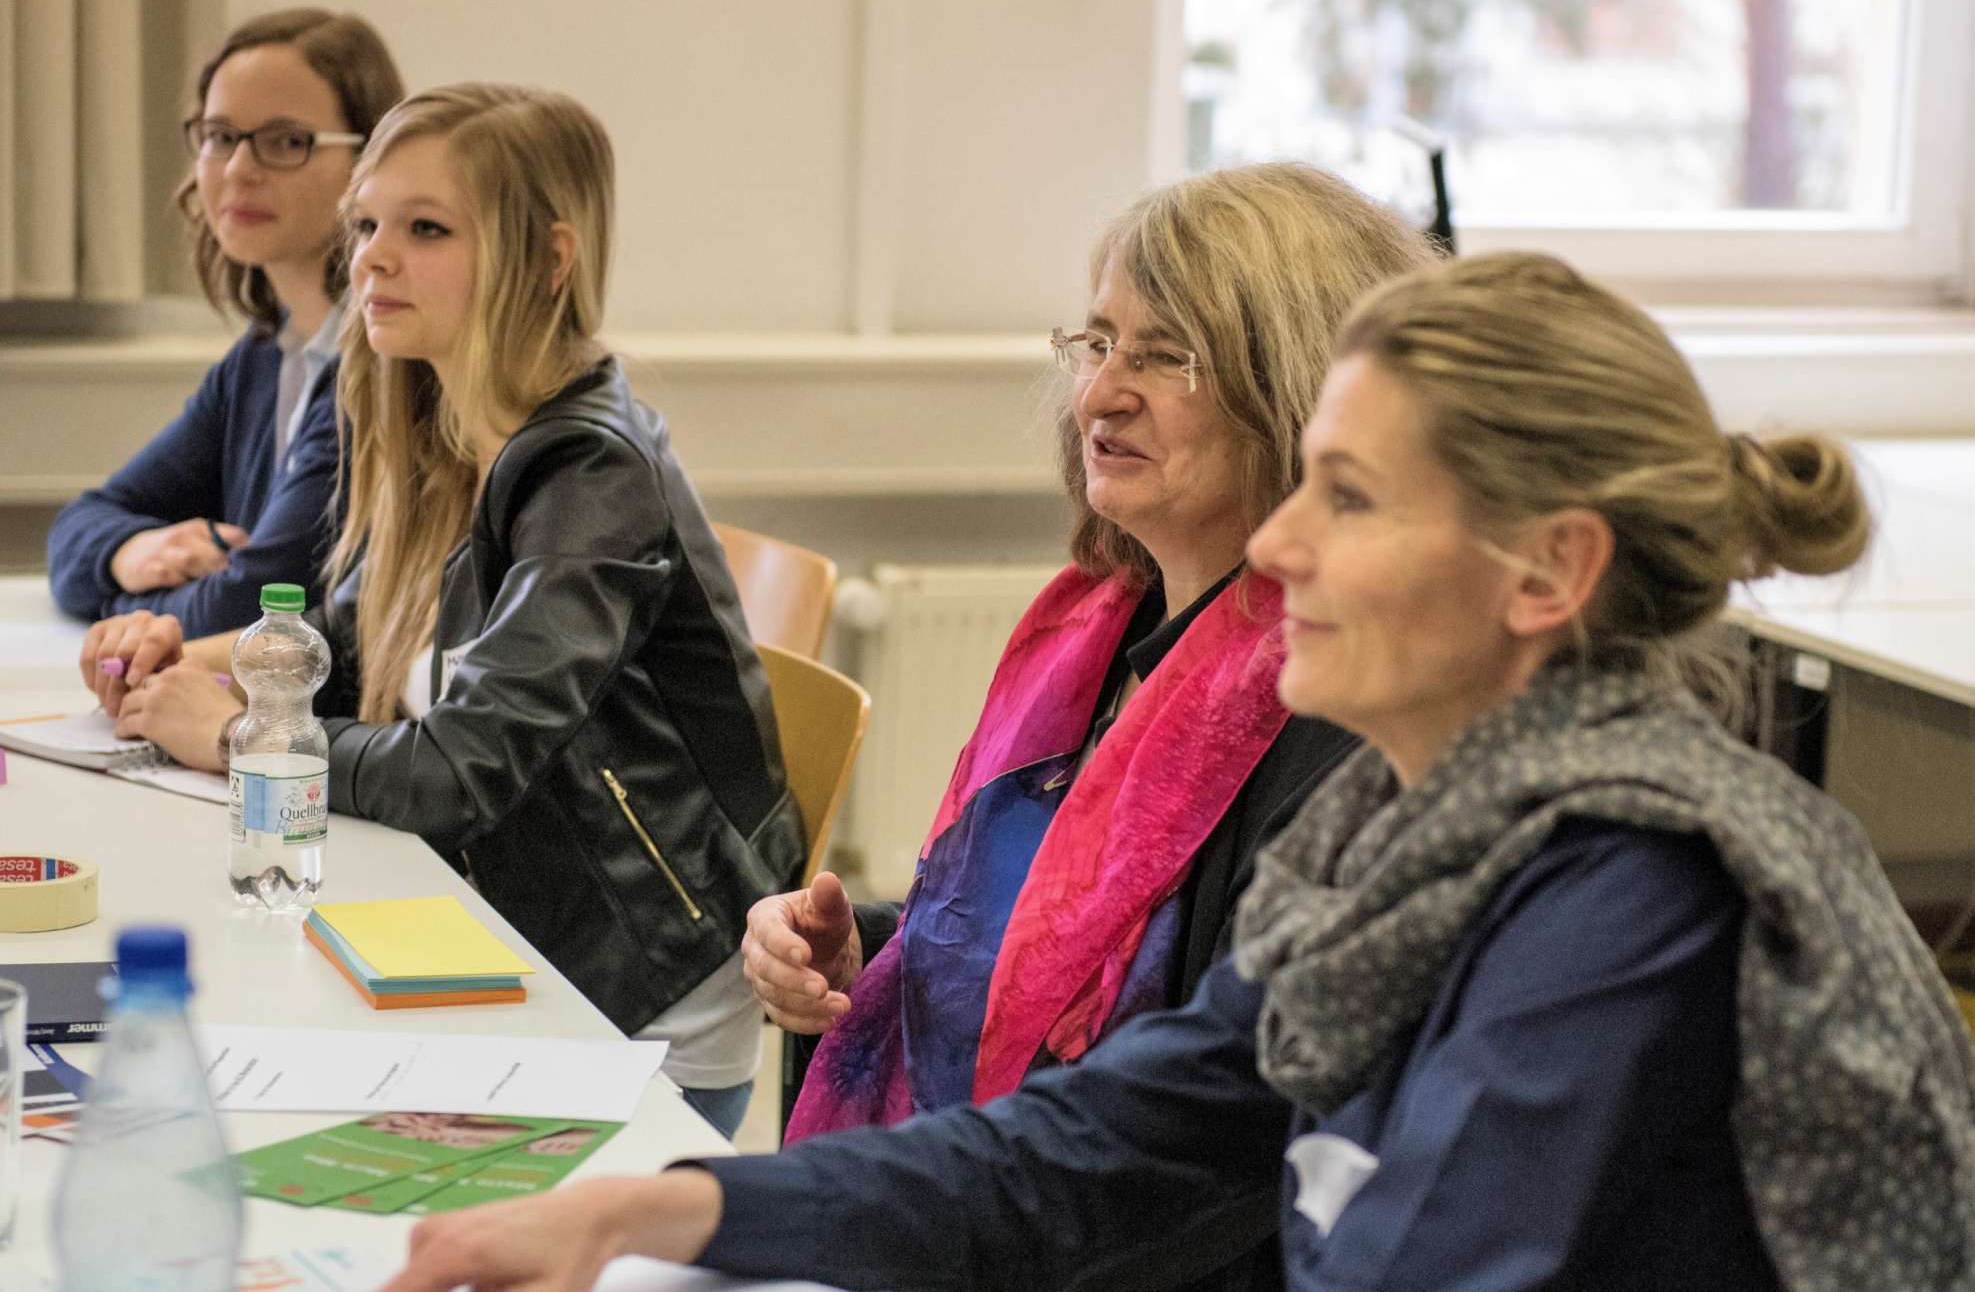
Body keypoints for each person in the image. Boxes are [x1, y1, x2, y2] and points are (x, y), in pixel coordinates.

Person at [379, 252, 1975, 1292]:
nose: (1281, 544)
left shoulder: (1632, 889)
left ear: (1547, 571)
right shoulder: (1400, 827)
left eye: (1347, 499)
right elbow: (1087, 1141)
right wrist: (657, 1207)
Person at [78, 84, 803, 1141]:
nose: (370, 260)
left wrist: (240, 737)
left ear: (548, 260)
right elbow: (359, 640)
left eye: (424, 230)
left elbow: (459, 773)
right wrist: (193, 657)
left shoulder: (591, 472)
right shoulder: (451, 420)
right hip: (499, 937)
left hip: (630, 1009)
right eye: (367, 225)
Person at [750, 166, 1430, 1179]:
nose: (1101, 395)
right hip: (996, 1179)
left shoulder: (1332, 709)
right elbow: (1035, 952)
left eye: (1164, 357)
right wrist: (870, 951)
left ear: (1298, 391)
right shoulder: (1092, 630)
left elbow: (1226, 1105)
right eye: (1100, 343)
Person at [48, 9, 403, 637]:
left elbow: (249, 610)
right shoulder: (263, 355)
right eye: (219, 136)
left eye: (286, 141)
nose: (238, 169)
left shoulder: (381, 367)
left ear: (370, 162)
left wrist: (120, 614)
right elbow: (83, 522)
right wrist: (129, 553)